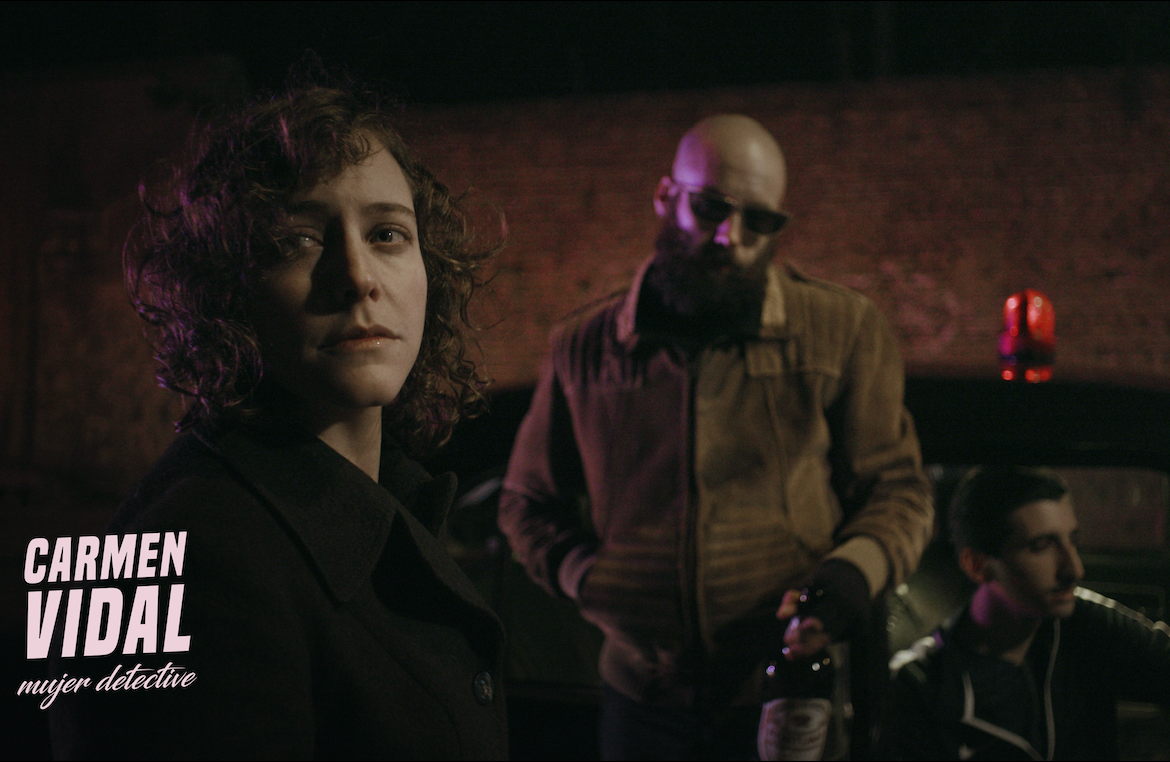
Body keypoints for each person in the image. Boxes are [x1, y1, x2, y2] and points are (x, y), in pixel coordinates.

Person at [47, 83, 508, 758]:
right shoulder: (175, 561)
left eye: (387, 234)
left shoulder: (392, 501)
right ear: (223, 287)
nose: (358, 277)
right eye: (296, 241)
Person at [497, 113, 934, 760]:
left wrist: (848, 578)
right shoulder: (585, 348)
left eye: (760, 221)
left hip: (786, 690)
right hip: (641, 701)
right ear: (665, 197)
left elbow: (898, 491)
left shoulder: (840, 331)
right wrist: (589, 579)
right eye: (710, 208)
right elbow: (525, 502)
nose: (731, 236)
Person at [884, 465, 1170, 761]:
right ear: (977, 564)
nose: (1074, 569)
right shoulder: (921, 686)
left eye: (1073, 540)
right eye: (1042, 545)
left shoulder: (1082, 627)